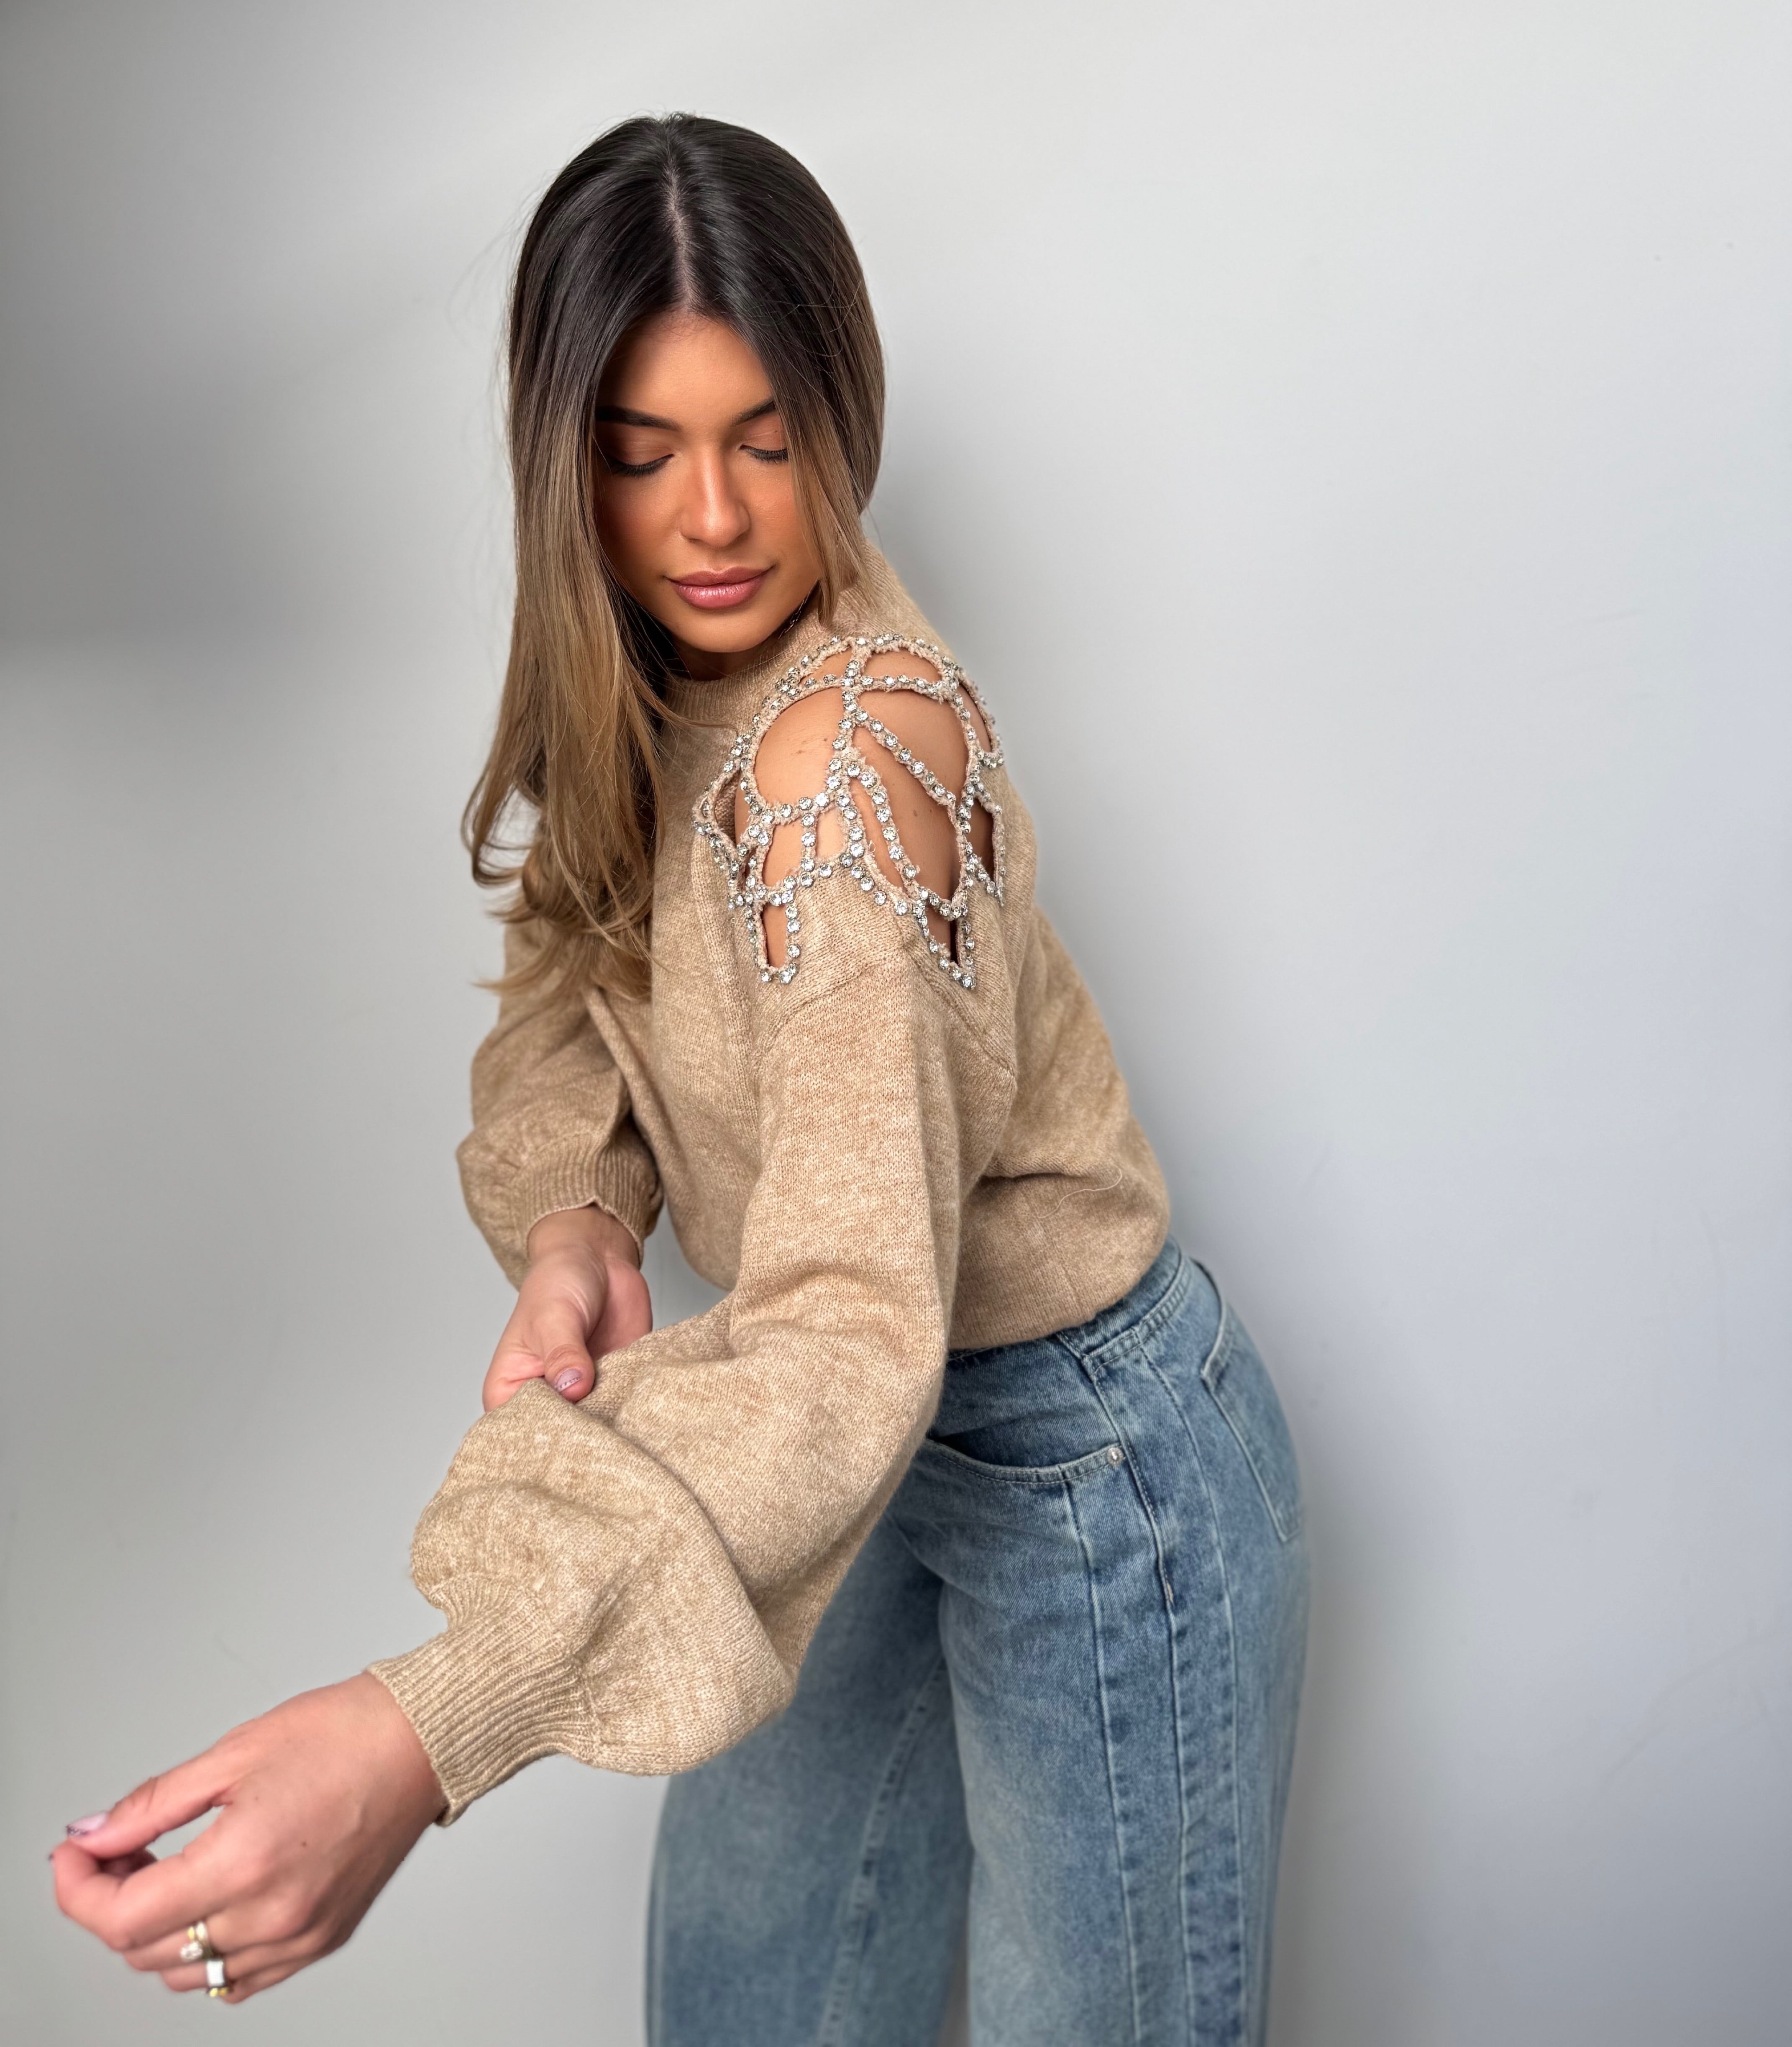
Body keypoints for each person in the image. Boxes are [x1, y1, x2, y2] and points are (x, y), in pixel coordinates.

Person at [51, 115, 1308, 2044]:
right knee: (748, 2006)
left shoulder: (848, 766)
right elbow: (569, 987)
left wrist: (419, 1731)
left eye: (764, 441)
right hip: (835, 1442)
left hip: (1074, 1462)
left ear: (842, 417)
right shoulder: (648, 682)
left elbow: (848, 1323)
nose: (710, 518)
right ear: (567, 462)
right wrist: (579, 1219)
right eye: (642, 454)